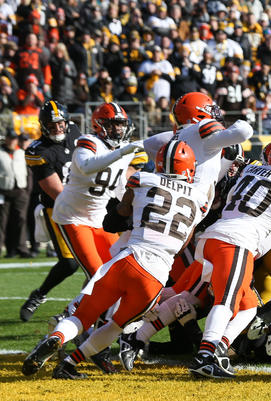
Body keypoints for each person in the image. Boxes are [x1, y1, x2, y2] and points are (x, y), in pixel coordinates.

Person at [22, 140, 208, 379]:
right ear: (190, 168)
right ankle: (69, 364)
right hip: (156, 275)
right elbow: (183, 244)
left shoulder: (142, 180)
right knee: (115, 326)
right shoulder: (200, 199)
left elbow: (112, 222)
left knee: (82, 316)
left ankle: (57, 338)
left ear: (160, 163)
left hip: (128, 259)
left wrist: (136, 220)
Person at [189, 138, 271, 379]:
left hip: (212, 238)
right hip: (236, 242)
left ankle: (220, 347)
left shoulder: (250, 170)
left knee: (248, 307)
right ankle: (205, 357)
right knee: (226, 302)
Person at [52, 102, 143, 278]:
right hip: (72, 216)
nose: (117, 129)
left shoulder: (122, 150)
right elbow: (87, 167)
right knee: (97, 274)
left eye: (120, 124)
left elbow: (118, 188)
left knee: (118, 270)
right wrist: (122, 152)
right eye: (112, 124)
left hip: (99, 216)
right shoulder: (88, 141)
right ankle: (77, 307)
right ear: (99, 124)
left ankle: (83, 305)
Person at [20, 101, 81, 322]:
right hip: (59, 209)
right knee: (69, 263)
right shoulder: (38, 150)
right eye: (52, 125)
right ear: (43, 126)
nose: (58, 128)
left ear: (67, 122)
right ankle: (39, 295)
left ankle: (80, 308)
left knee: (101, 263)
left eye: (60, 123)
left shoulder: (75, 132)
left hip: (87, 205)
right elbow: (57, 191)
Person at [0, 130, 29, 258]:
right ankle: (6, 249)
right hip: (3, 191)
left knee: (20, 220)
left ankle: (21, 249)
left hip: (20, 191)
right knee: (2, 222)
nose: (12, 141)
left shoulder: (21, 153)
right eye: (10, 138)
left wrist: (27, 191)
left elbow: (28, 173)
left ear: (17, 140)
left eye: (14, 139)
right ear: (6, 139)